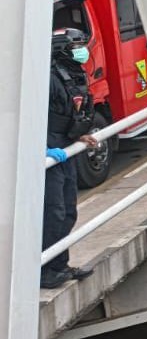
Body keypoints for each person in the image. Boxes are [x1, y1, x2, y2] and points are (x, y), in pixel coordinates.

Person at [41, 29, 98, 290]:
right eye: (77, 45)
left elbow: (73, 112)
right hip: (50, 152)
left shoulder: (74, 74)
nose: (83, 50)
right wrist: (42, 149)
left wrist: (79, 135)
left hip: (65, 149)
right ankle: (44, 270)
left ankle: (60, 265)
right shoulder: (48, 79)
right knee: (53, 212)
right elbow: (33, 116)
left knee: (68, 212)